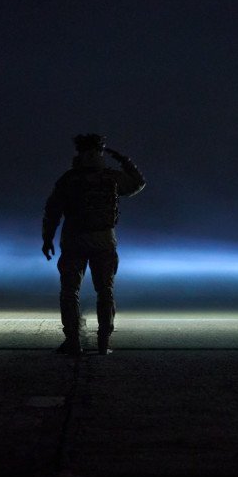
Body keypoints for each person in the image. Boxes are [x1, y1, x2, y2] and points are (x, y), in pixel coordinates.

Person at [42, 133, 146, 356]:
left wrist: (47, 238)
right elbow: (138, 183)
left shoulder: (69, 179)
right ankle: (102, 342)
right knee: (105, 291)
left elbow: (52, 211)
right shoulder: (111, 177)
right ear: (101, 152)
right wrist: (124, 160)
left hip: (74, 240)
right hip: (104, 241)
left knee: (70, 291)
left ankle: (73, 341)